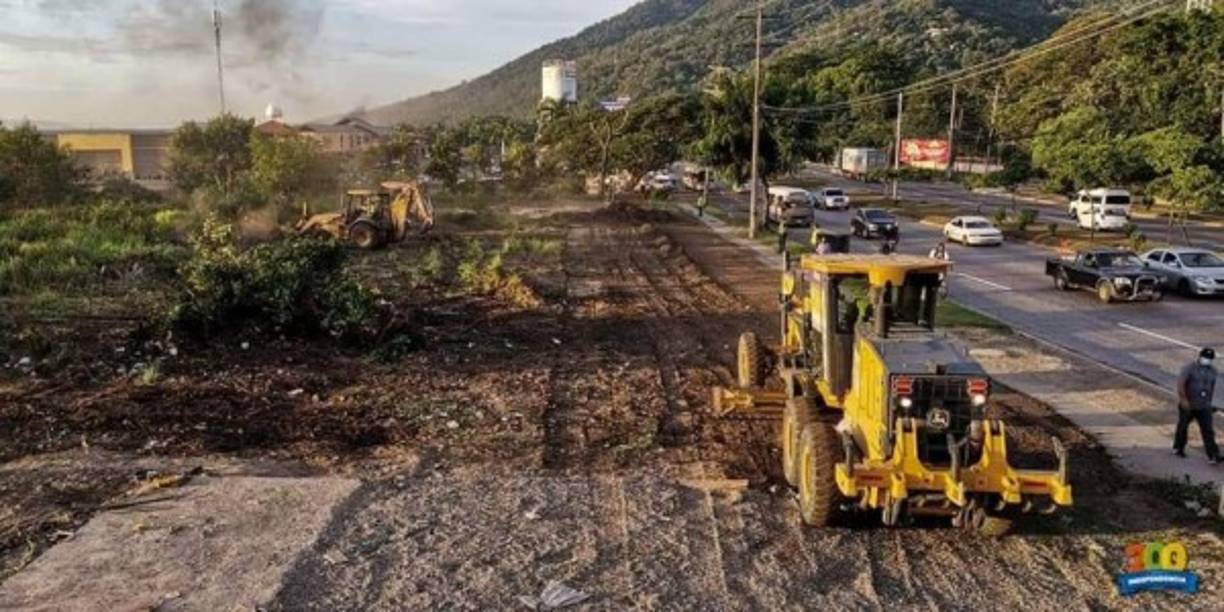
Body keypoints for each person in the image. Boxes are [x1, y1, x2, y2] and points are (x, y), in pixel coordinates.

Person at [1174, 347, 1219, 464]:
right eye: (1205, 357)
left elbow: (1211, 387)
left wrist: (1209, 403)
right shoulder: (1189, 368)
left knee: (1208, 430)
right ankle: (1178, 447)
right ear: (1200, 356)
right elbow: (1181, 384)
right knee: (1183, 427)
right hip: (1189, 404)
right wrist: (1184, 400)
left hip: (1204, 406)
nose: (1207, 360)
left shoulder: (1213, 371)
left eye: (1209, 358)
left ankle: (1213, 455)